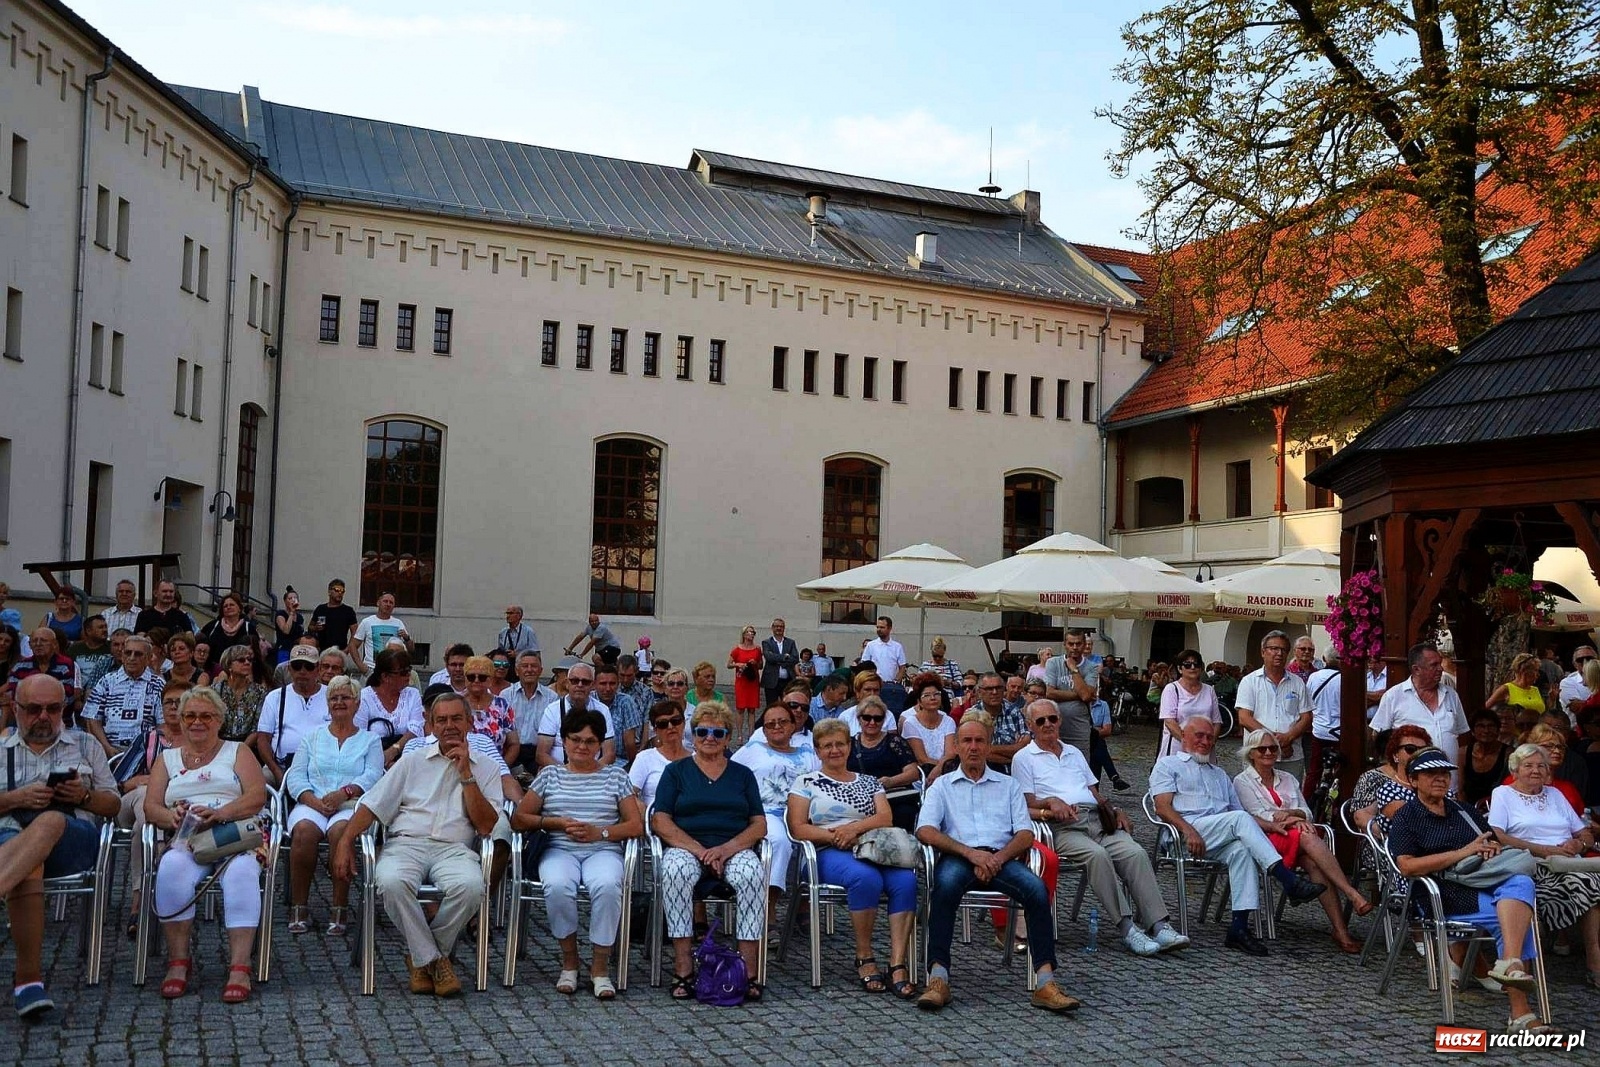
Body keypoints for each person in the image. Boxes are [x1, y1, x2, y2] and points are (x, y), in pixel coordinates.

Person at [333, 692, 504, 997]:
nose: (449, 726)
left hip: (454, 849)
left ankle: (422, 959)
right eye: (442, 720)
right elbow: (373, 804)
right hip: (406, 844)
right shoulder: (412, 762)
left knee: (471, 887)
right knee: (391, 882)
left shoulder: (488, 768)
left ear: (469, 722)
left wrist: (467, 774)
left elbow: (486, 825)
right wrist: (346, 840)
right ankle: (435, 960)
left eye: (456, 719)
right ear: (431, 725)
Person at [914, 711, 1080, 1013]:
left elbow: (1025, 833)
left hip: (1001, 858)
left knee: (1036, 890)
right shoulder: (942, 786)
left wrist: (996, 858)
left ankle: (1045, 982)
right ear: (957, 747)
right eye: (967, 741)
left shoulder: (1008, 785)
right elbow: (925, 830)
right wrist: (971, 854)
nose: (973, 747)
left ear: (989, 746)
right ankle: (938, 978)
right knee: (944, 888)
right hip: (959, 857)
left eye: (980, 741)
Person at [1388, 748, 1548, 1034]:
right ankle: (1520, 1012)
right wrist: (1462, 853)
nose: (1440, 778)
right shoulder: (1407, 817)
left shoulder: (1463, 810)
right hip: (1442, 891)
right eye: (1431, 773)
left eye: (1444, 773)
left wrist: (1490, 849)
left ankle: (1510, 963)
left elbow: (1492, 840)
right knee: (1513, 920)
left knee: (1522, 883)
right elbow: (1407, 866)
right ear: (1413, 780)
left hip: (1484, 880)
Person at [1013, 698, 1189, 958]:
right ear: (1030, 726)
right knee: (1098, 856)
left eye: (1052, 718)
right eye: (1040, 721)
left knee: (1135, 852)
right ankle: (1127, 928)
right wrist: (1050, 802)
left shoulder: (1073, 753)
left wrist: (1115, 810)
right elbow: (1025, 803)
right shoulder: (1024, 758)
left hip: (1096, 819)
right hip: (1060, 826)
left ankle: (1159, 925)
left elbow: (1094, 792)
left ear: (1060, 721)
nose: (1048, 724)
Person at [1149, 717, 1326, 955]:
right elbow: (1162, 807)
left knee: (1242, 851)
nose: (1205, 741)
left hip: (1217, 836)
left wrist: (1271, 826)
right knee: (1238, 821)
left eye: (1210, 737)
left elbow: (1241, 815)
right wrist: (1188, 830)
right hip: (1184, 835)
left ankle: (1239, 928)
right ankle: (1288, 880)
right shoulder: (1168, 765)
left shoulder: (1219, 774)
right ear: (1183, 735)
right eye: (1199, 735)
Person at [0, 674, 119, 1018]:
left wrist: (83, 796)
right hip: (12, 839)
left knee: (50, 821)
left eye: (53, 709)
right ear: (15, 708)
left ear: (64, 708)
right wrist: (15, 799)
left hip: (73, 842)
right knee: (29, 865)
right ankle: (28, 984)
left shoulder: (85, 745)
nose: (43, 717)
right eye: (34, 709)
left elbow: (113, 805)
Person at [145, 686, 270, 1004]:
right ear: (180, 720)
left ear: (219, 720)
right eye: (190, 716)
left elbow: (257, 796)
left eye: (206, 716)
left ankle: (240, 967)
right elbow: (151, 806)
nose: (197, 722)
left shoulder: (237, 751)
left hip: (234, 834)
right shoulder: (166, 759)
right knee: (171, 869)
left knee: (242, 872)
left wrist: (221, 813)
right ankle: (178, 962)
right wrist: (171, 817)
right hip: (187, 838)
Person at [511, 709, 641, 998]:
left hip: (603, 850)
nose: (582, 746)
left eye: (590, 741)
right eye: (576, 739)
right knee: (557, 886)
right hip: (559, 849)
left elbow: (635, 825)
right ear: (564, 741)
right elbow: (519, 819)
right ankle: (569, 961)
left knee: (608, 886)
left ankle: (600, 967)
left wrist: (600, 832)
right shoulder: (550, 775)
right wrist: (556, 823)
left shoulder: (615, 776)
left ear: (600, 745)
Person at [786, 718, 919, 997]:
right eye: (827, 746)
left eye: (840, 744)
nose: (834, 750)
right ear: (817, 750)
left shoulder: (869, 782)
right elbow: (798, 827)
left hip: (871, 846)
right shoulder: (805, 782)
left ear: (849, 746)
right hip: (826, 850)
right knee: (865, 878)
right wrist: (837, 836)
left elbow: (885, 817)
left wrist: (854, 830)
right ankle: (864, 955)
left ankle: (897, 962)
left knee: (906, 881)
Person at [652, 701, 768, 1001]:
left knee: (752, 874)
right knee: (675, 871)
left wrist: (725, 850)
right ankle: (683, 966)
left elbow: (759, 825)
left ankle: (749, 970)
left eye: (718, 732)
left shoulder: (743, 774)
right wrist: (701, 851)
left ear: (728, 738)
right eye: (702, 731)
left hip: (732, 846)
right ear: (693, 735)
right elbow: (660, 820)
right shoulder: (676, 772)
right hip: (687, 846)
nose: (710, 738)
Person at [1233, 728, 1372, 952]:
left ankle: (1340, 930)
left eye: (1273, 748)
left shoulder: (1287, 778)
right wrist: (1294, 819)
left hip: (1295, 836)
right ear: (1251, 753)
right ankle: (1351, 893)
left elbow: (1306, 813)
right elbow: (1259, 815)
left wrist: (1292, 815)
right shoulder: (1242, 781)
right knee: (1307, 836)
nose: (1268, 753)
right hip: (1264, 839)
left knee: (1313, 863)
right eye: (1262, 749)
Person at [1487, 743, 1600, 988]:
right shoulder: (1503, 794)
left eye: (1541, 766)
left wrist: (1578, 844)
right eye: (1528, 765)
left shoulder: (1555, 795)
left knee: (1591, 881)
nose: (1536, 770)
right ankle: (1595, 961)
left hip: (1569, 862)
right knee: (1592, 883)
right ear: (1515, 770)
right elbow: (1498, 835)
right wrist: (1543, 849)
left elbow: (1585, 833)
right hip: (1532, 864)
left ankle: (1594, 956)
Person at [284, 675, 382, 936]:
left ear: (357, 704)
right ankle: (299, 906)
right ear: (327, 704)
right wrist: (313, 801)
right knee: (303, 831)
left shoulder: (370, 740)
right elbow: (295, 776)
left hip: (351, 805)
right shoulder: (312, 737)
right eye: (334, 698)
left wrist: (344, 793)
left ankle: (339, 907)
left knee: (341, 833)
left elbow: (373, 775)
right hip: (312, 802)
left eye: (345, 697)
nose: (339, 702)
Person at [733, 698, 821, 923]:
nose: (777, 727)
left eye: (782, 722)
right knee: (779, 841)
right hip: (766, 812)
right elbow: (729, 775)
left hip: (803, 814)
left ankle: (803, 906)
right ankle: (769, 909)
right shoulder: (752, 750)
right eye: (770, 724)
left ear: (793, 725)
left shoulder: (808, 754)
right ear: (763, 730)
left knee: (816, 844)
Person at [1370, 642, 1471, 778]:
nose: (1441, 669)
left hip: (1449, 781)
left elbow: (1463, 736)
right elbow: (1379, 738)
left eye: (1440, 663)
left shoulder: (1451, 695)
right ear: (1416, 669)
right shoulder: (1394, 696)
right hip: (1410, 782)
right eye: (1434, 665)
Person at [1235, 630, 1312, 781]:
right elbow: (1244, 718)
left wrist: (1288, 738)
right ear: (1263, 652)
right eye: (1274, 648)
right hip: (1259, 754)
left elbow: (1306, 717)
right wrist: (1275, 742)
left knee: (1290, 793)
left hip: (1291, 755)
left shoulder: (1297, 683)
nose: (1279, 653)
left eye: (1283, 649)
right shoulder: (1249, 681)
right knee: (1256, 793)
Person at [253, 644, 332, 786]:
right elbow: (263, 739)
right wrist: (276, 771)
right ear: (289, 668)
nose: (302, 671)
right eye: (297, 666)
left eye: (308, 666)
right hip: (281, 766)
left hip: (325, 766)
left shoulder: (332, 696)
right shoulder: (275, 697)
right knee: (257, 784)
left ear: (318, 669)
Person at [79, 634, 165, 758]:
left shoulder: (158, 684)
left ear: (148, 658)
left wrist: (151, 751)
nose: (132, 658)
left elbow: (163, 724)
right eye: (128, 653)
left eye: (138, 654)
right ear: (123, 656)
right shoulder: (106, 681)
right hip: (109, 748)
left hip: (145, 750)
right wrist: (107, 747)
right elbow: (92, 718)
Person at [845, 695, 920, 830]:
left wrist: (890, 781)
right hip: (859, 801)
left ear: (884, 720)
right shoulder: (849, 744)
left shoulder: (895, 742)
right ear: (859, 719)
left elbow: (913, 773)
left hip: (893, 798)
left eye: (878, 718)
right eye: (867, 718)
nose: (872, 722)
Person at [1351, 724, 1435, 836]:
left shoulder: (1434, 782)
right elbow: (1360, 816)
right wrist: (1390, 839)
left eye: (1423, 750)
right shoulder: (1382, 785)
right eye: (1410, 749)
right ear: (1395, 755)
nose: (1417, 754)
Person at [535, 662, 617, 768]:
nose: (580, 685)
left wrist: (590, 772)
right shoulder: (552, 710)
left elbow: (609, 754)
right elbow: (541, 754)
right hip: (559, 771)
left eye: (585, 682)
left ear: (592, 685)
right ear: (567, 683)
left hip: (594, 771)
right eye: (575, 681)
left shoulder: (603, 710)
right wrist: (566, 772)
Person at [358, 647, 425, 766]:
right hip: (371, 760)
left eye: (409, 669)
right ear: (385, 677)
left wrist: (393, 750)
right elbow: (360, 736)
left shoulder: (413, 694)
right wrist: (381, 760)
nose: (409, 674)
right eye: (403, 672)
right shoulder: (364, 697)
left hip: (407, 759)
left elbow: (416, 729)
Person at [1042, 631, 1098, 763]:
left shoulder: (1091, 667)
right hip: (1054, 726)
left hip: (1079, 728)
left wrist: (1073, 669)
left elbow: (1086, 696)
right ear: (1065, 644)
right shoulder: (1053, 663)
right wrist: (1080, 694)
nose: (1074, 647)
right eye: (1071, 644)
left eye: (1078, 644)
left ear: (1084, 645)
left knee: (1079, 765)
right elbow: (1050, 693)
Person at [1158, 649, 1220, 759]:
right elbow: (1169, 721)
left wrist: (1210, 742)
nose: (1192, 667)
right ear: (1179, 669)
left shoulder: (1209, 690)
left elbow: (1216, 721)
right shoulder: (1172, 689)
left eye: (1196, 664)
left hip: (1204, 749)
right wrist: (1188, 742)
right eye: (1187, 665)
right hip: (1178, 748)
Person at [628, 700, 689, 812]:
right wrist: (643, 812)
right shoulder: (645, 758)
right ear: (656, 730)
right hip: (654, 817)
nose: (670, 726)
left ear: (684, 723)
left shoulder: (697, 759)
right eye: (662, 724)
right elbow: (629, 795)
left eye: (676, 721)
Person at [461, 655, 518, 767]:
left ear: (490, 680)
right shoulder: (456, 704)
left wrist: (501, 769)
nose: (476, 680)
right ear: (465, 679)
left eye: (482, 677)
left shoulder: (502, 705)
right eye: (471, 677)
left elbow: (514, 744)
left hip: (497, 767)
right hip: (462, 765)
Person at [1303, 648, 1343, 798]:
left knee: (1314, 770)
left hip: (1319, 730)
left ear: (1325, 659)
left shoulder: (1314, 677)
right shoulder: (1344, 678)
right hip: (1338, 732)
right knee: (1340, 771)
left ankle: (1307, 800)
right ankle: (1336, 802)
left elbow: (1308, 701)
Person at [900, 673, 957, 774]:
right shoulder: (910, 723)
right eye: (927, 695)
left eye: (936, 694)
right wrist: (939, 769)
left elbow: (950, 754)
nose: (933, 698)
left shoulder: (948, 721)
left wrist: (939, 769)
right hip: (922, 773)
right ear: (919, 701)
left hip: (947, 771)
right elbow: (922, 759)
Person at [214, 645, 268, 743]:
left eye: (249, 660)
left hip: (248, 744)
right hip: (218, 742)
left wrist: (242, 748)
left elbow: (257, 727)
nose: (247, 662)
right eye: (241, 660)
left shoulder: (260, 692)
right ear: (229, 665)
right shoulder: (216, 690)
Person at [196, 592, 257, 676]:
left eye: (232, 605)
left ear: (239, 608)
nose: (228, 607)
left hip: (241, 673)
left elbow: (256, 652)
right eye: (225, 606)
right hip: (214, 673)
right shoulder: (212, 626)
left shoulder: (249, 628)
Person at [349, 592, 411, 674]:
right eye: (385, 601)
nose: (388, 604)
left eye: (391, 602)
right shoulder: (367, 622)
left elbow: (411, 649)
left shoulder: (398, 623)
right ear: (378, 603)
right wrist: (361, 666)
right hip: (372, 669)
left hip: (393, 670)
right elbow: (353, 645)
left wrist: (407, 638)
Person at [592, 662, 641, 763]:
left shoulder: (626, 702)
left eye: (612, 683)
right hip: (590, 759)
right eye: (603, 684)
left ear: (618, 684)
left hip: (618, 760)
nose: (608, 688)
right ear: (594, 684)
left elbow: (630, 743)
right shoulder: (589, 701)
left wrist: (632, 765)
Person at [1461, 709, 1510, 807]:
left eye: (1491, 726)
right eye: (1481, 726)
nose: (1486, 730)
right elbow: (1460, 789)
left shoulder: (1508, 753)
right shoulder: (1463, 752)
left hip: (1500, 806)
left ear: (1498, 730)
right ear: (1473, 731)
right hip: (1469, 808)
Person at [67, 615, 116, 702]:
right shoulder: (75, 648)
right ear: (88, 631)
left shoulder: (112, 647)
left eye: (105, 627)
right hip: (77, 694)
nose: (105, 630)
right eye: (100, 627)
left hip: (105, 693)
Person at [1487, 654, 1549, 719]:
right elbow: (1486, 708)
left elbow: (1542, 713)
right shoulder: (1506, 688)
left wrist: (1551, 701)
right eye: (1536, 670)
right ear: (1524, 670)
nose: (1538, 674)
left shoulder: (1535, 689)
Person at [729, 625, 765, 736]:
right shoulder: (737, 649)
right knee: (740, 709)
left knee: (752, 709)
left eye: (753, 632)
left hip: (752, 681)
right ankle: (739, 735)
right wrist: (738, 664)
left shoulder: (757, 649)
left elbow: (761, 666)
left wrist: (755, 663)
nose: (752, 634)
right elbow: (729, 664)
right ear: (744, 634)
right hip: (741, 681)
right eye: (750, 632)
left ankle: (751, 734)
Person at [307, 579, 359, 652]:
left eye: (342, 591)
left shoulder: (348, 611)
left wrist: (346, 650)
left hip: (340, 651)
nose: (340, 593)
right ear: (329, 592)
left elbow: (355, 633)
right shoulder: (321, 609)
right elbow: (310, 627)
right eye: (337, 590)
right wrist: (316, 628)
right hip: (321, 651)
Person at [759, 617, 799, 711]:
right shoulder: (766, 642)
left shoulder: (791, 642)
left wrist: (777, 658)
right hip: (771, 680)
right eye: (776, 626)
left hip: (787, 681)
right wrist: (785, 657)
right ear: (772, 628)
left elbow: (795, 658)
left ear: (784, 628)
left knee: (788, 706)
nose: (779, 628)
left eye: (781, 626)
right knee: (771, 707)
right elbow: (769, 657)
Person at [861, 616, 908, 689]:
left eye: (882, 627)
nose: (879, 629)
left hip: (891, 686)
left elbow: (902, 667)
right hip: (874, 686)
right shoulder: (871, 645)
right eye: (877, 627)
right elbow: (864, 665)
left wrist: (896, 681)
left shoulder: (897, 647)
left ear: (889, 628)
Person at [1559, 646, 1597, 721]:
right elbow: (1577, 708)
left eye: (1589, 658)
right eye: (1580, 660)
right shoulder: (1567, 682)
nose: (1585, 662)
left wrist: (1586, 704)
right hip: (1577, 726)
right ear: (1575, 664)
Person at [273, 587, 305, 665]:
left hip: (296, 649)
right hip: (284, 648)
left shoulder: (299, 617)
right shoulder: (281, 614)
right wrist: (291, 613)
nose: (293, 600)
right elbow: (286, 630)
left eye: (295, 598)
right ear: (285, 601)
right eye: (290, 598)